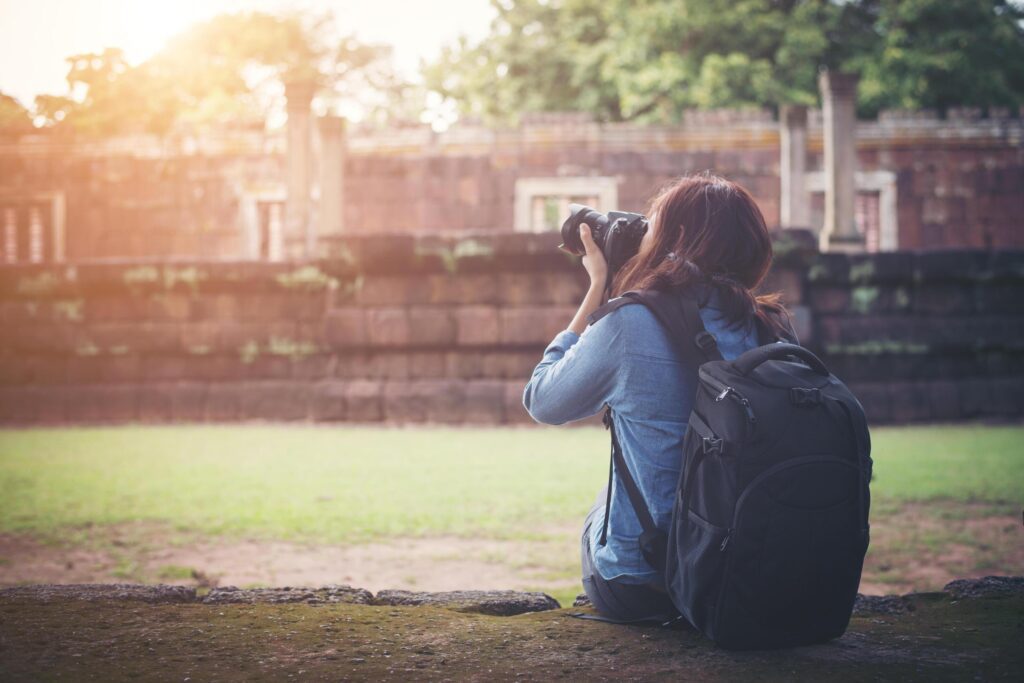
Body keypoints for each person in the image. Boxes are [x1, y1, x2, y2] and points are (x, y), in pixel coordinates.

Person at [522, 172, 796, 622]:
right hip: (750, 571)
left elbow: (542, 400)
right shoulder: (774, 326)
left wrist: (598, 288)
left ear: (676, 238)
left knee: (606, 501)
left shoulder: (629, 323)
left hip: (646, 585)